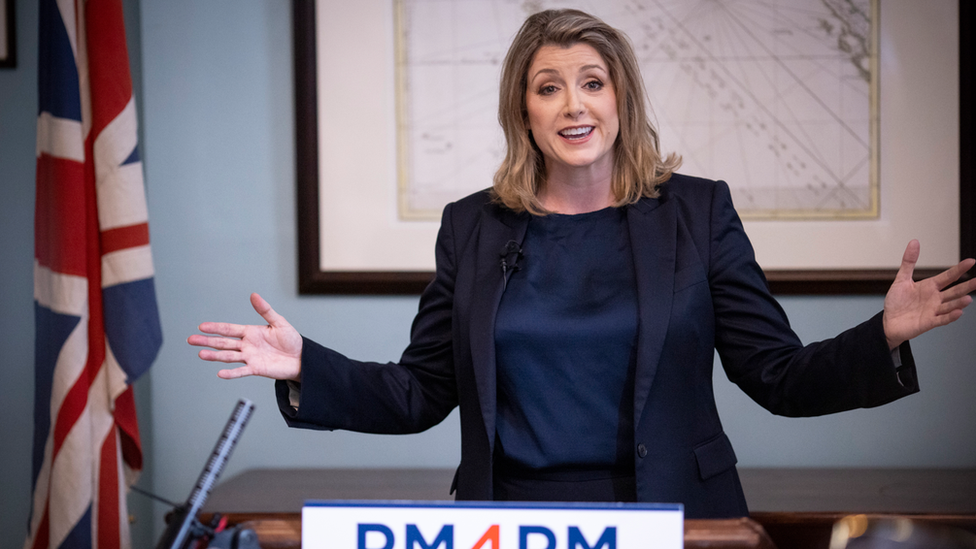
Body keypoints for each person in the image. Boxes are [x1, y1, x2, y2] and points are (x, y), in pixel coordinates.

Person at [188, 9, 976, 518]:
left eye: (592, 84)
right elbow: (422, 389)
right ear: (523, 113)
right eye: (549, 88)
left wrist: (884, 335)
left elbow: (775, 373)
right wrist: (305, 365)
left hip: (677, 518)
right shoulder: (472, 226)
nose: (574, 105)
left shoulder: (697, 212)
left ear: (620, 99)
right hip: (512, 521)